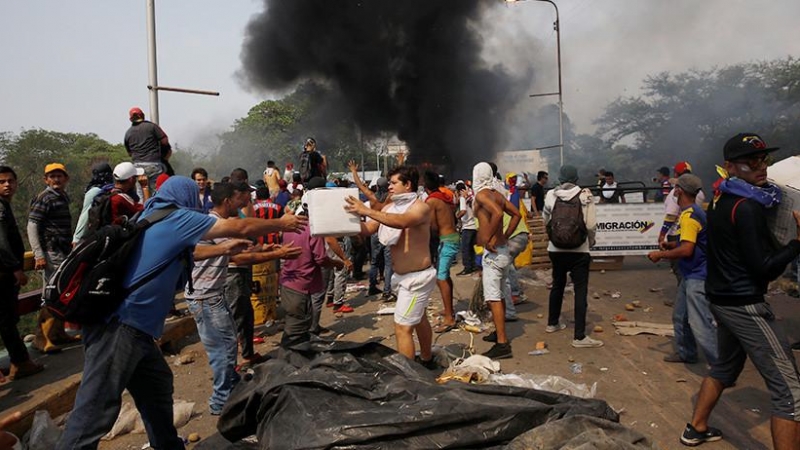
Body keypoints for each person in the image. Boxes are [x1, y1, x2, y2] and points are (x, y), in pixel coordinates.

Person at [56, 176, 307, 449]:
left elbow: (186, 252)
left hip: (137, 330)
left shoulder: (154, 216)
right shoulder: (176, 217)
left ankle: (167, 445)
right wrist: (282, 223)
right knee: (96, 407)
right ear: (186, 196)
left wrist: (224, 248)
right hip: (120, 327)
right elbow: (241, 225)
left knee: (157, 387)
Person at [680, 133, 800, 449]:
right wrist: (796, 245)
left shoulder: (722, 201)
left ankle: (696, 427)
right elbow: (765, 268)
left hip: (720, 298)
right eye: (752, 162)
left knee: (724, 367)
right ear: (731, 167)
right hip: (745, 304)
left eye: (764, 160)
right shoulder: (747, 207)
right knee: (790, 391)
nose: (761, 167)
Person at [186, 181, 300, 415]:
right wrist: (279, 245)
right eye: (242, 198)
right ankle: (221, 401)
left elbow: (238, 253)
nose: (246, 201)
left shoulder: (216, 223)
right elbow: (240, 252)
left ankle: (230, 388)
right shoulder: (216, 222)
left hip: (212, 295)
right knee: (223, 349)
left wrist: (267, 251)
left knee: (228, 345)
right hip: (205, 297)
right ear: (229, 200)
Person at [344, 166, 437, 367]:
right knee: (419, 318)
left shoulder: (420, 207)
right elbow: (369, 228)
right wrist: (344, 222)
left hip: (417, 279)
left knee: (402, 327)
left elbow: (402, 222)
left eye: (394, 183)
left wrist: (367, 210)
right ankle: (428, 359)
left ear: (408, 185)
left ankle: (409, 377)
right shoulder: (388, 208)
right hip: (400, 277)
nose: (390, 187)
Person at [647, 174, 717, 365]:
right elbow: (688, 242)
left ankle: (720, 366)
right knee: (681, 316)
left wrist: (660, 255)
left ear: (680, 191)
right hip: (691, 273)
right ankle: (686, 352)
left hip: (697, 275)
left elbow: (687, 250)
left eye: (676, 189)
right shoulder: (694, 211)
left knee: (699, 322)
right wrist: (672, 245)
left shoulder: (689, 216)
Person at [543, 165, 602, 348]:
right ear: (576, 178)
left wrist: (554, 237)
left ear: (560, 178)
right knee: (580, 290)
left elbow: (545, 220)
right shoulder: (585, 195)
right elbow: (591, 225)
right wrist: (590, 242)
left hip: (555, 249)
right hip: (579, 250)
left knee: (557, 285)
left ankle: (552, 323)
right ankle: (579, 337)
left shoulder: (551, 195)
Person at [281, 178, 345, 345]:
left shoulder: (289, 227)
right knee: (297, 332)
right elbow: (321, 259)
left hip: (288, 283)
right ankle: (293, 360)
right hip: (302, 286)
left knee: (293, 327)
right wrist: (338, 263)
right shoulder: (312, 230)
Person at [472, 162, 521, 359]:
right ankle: (498, 333)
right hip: (502, 250)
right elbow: (515, 214)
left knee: (493, 299)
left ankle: (502, 344)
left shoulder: (482, 195)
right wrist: (505, 235)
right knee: (499, 296)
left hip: (493, 254)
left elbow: (498, 214)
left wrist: (487, 238)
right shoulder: (498, 194)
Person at [0, 166, 45, 380]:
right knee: (7, 318)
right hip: (4, 273)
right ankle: (20, 362)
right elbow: (1, 242)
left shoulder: (4, 206)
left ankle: (19, 361)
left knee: (6, 319)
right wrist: (16, 268)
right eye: (2, 181)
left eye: (10, 180)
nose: (7, 185)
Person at [28, 163, 76, 354]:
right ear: (45, 180)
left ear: (66, 179)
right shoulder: (45, 198)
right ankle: (41, 339)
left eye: (59, 176)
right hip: (51, 251)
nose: (56, 179)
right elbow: (32, 226)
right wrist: (39, 254)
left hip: (63, 251)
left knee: (62, 290)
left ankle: (57, 333)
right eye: (52, 176)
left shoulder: (61, 196)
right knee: (51, 293)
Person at [224, 169, 260, 364]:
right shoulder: (231, 218)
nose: (250, 198)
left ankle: (247, 354)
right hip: (234, 271)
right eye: (247, 194)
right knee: (236, 315)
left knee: (245, 312)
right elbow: (248, 231)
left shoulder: (239, 212)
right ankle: (232, 363)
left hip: (242, 268)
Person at [658, 161, 706, 300]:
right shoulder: (700, 193)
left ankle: (684, 300)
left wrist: (662, 236)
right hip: (691, 233)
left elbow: (671, 215)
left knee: (680, 269)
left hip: (677, 232)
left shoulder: (679, 199)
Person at [422, 171, 460, 333]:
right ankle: (448, 309)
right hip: (452, 238)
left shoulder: (432, 201)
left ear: (425, 187)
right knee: (444, 277)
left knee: (441, 278)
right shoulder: (445, 197)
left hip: (446, 241)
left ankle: (450, 318)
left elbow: (432, 226)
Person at [124, 107, 171, 193]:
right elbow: (165, 141)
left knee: (140, 192)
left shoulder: (128, 133)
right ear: (142, 115)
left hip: (138, 166)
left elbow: (129, 153)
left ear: (131, 119)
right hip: (153, 164)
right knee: (156, 191)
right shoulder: (152, 127)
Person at [72, 162, 113, 245]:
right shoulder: (113, 189)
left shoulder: (94, 191)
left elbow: (85, 215)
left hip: (92, 235)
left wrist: (77, 238)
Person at [455, 181, 477, 277]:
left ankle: (467, 268)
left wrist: (457, 216)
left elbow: (463, 211)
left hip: (467, 227)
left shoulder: (463, 198)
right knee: (471, 248)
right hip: (474, 226)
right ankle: (473, 266)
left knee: (465, 249)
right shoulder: (471, 197)